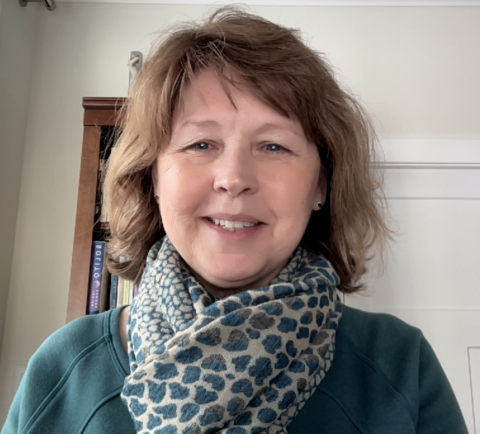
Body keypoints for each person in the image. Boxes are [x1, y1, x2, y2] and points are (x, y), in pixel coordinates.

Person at [2, 7, 468, 434]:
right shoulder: (62, 369)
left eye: (274, 146)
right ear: (154, 177)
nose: (234, 179)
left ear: (321, 185)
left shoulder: (400, 365)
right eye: (201, 144)